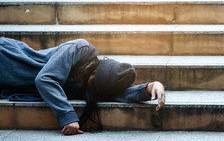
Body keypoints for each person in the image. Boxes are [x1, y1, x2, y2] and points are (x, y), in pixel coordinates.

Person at [0, 37, 165, 135]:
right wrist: (68, 116)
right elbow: (45, 79)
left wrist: (151, 86)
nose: (90, 85)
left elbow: (123, 94)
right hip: (7, 57)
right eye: (93, 80)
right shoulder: (79, 48)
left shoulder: (93, 86)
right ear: (94, 71)